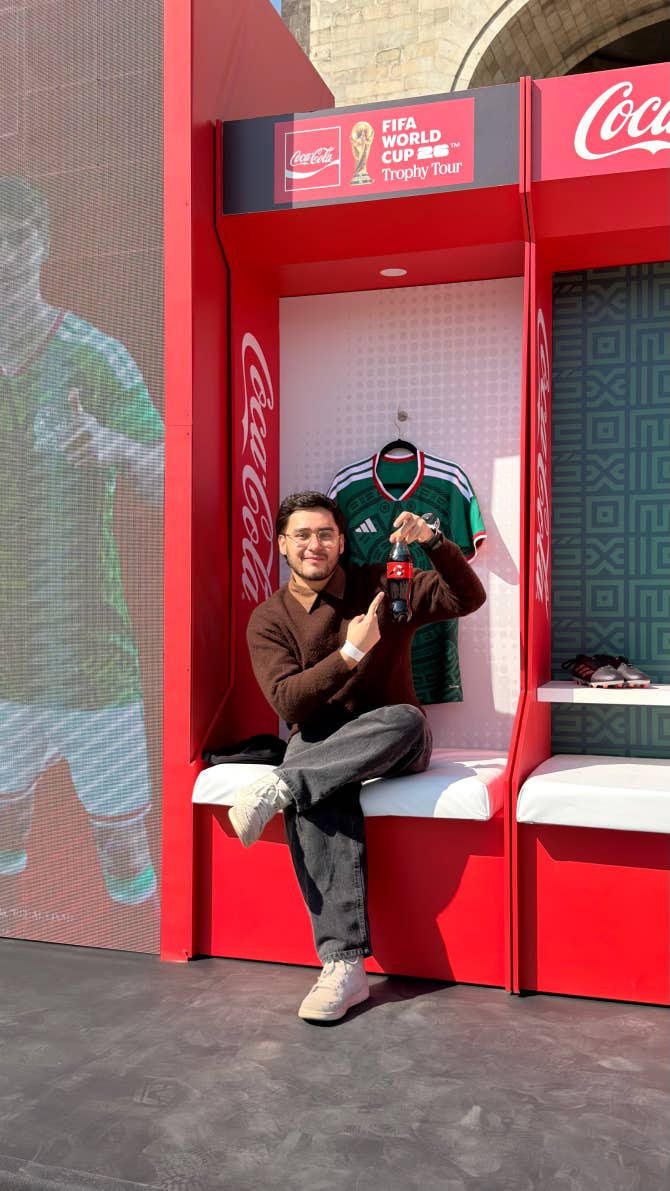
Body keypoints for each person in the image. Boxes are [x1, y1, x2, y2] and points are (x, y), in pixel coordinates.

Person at [228, 490, 486, 1022]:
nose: (314, 544)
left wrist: (432, 540)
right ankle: (344, 967)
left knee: (406, 718)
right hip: (321, 744)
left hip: (394, 737)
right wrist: (350, 652)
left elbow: (467, 597)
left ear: (342, 541)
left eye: (325, 534)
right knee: (318, 790)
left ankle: (284, 783)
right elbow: (287, 702)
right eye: (302, 535)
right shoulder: (269, 619)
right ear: (282, 545)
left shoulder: (385, 583)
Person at [0, 175, 163, 909]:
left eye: (18, 240)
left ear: (44, 245)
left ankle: (137, 960)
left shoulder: (95, 355)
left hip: (88, 654)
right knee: (5, 830)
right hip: (4, 661)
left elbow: (169, 477)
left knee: (125, 853)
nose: (5, 258)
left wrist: (110, 447)